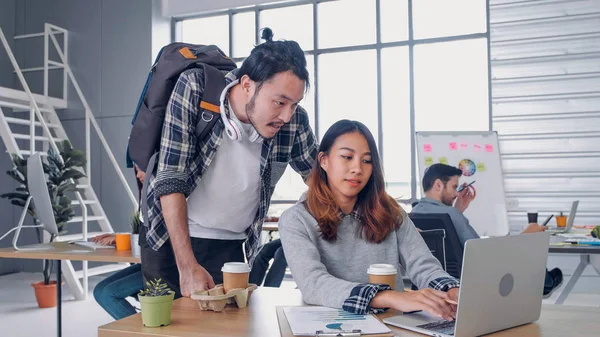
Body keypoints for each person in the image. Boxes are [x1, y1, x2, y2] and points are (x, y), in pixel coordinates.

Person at [140, 28, 318, 298]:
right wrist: (187, 267)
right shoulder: (196, 86)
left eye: (294, 104)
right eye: (279, 102)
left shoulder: (294, 120)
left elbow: (319, 179)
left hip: (232, 246)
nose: (286, 114)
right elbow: (171, 178)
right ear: (247, 85)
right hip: (168, 239)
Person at [279, 120, 459, 320]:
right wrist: (388, 296)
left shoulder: (391, 212)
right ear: (323, 160)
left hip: (394, 325)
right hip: (331, 326)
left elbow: (423, 265)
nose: (357, 168)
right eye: (347, 157)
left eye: (367, 160)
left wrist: (450, 290)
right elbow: (313, 283)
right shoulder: (295, 220)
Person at [411, 163, 563, 298]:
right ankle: (545, 282)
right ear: (438, 185)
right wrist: (525, 235)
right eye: (454, 187)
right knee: (517, 249)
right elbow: (483, 251)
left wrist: (458, 210)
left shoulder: (414, 213)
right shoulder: (451, 214)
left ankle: (545, 280)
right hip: (475, 275)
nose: (457, 194)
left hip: (437, 279)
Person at [91, 233, 143, 320]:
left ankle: (138, 332)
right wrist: (119, 238)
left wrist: (126, 239)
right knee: (99, 290)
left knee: (107, 294)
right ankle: (134, 330)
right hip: (147, 264)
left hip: (167, 269)